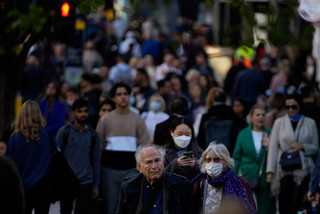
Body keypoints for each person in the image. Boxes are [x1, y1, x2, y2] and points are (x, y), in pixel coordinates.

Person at [96, 82, 150, 214]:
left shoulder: (137, 119)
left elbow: (144, 145)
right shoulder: (105, 119)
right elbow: (99, 146)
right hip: (110, 171)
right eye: (119, 94)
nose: (123, 97)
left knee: (132, 208)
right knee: (111, 208)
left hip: (131, 170)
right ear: (114, 98)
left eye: (125, 94)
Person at [266, 92, 319, 214]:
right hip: (283, 169)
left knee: (300, 204)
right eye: (287, 107)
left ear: (300, 106)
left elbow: (316, 147)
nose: (290, 110)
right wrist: (270, 171)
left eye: (293, 106)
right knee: (284, 204)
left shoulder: (310, 123)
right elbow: (273, 147)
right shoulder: (279, 123)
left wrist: (303, 146)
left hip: (304, 169)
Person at [117, 144, 194, 214]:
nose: (154, 166)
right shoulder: (129, 186)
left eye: (157, 161)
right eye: (149, 162)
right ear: (140, 167)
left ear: (163, 162)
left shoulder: (181, 185)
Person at [6, 100, 53, 214]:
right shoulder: (45, 136)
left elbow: (10, 164)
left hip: (22, 187)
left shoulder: (15, 138)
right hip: (43, 186)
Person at [56, 98, 101, 214]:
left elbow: (96, 160)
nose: (83, 114)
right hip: (67, 182)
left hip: (86, 182)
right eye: (79, 111)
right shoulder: (64, 132)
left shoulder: (93, 134)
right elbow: (56, 158)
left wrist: (96, 184)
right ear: (73, 113)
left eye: (85, 111)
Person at [233, 105, 276, 214]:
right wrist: (234, 175)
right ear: (251, 117)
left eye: (263, 115)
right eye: (257, 115)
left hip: (265, 176)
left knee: (265, 207)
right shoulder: (243, 134)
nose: (260, 117)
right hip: (247, 175)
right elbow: (236, 157)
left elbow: (275, 155)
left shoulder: (270, 133)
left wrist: (269, 146)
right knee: (247, 206)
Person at [192, 142, 257, 214]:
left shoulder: (239, 183)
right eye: (208, 160)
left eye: (216, 159)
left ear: (225, 162)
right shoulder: (199, 183)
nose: (212, 163)